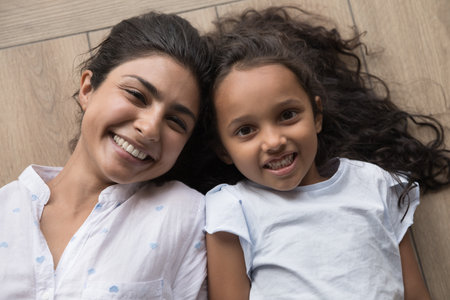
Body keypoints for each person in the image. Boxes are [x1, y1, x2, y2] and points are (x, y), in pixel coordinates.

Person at [202, 6, 450, 300]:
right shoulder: (233, 208)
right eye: (245, 130)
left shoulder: (376, 184)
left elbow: (416, 293)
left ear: (316, 115)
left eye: (287, 115)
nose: (273, 141)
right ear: (222, 149)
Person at [0, 11, 211, 299]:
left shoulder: (188, 215)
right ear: (88, 88)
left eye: (176, 121)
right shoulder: (5, 210)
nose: (150, 128)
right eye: (136, 95)